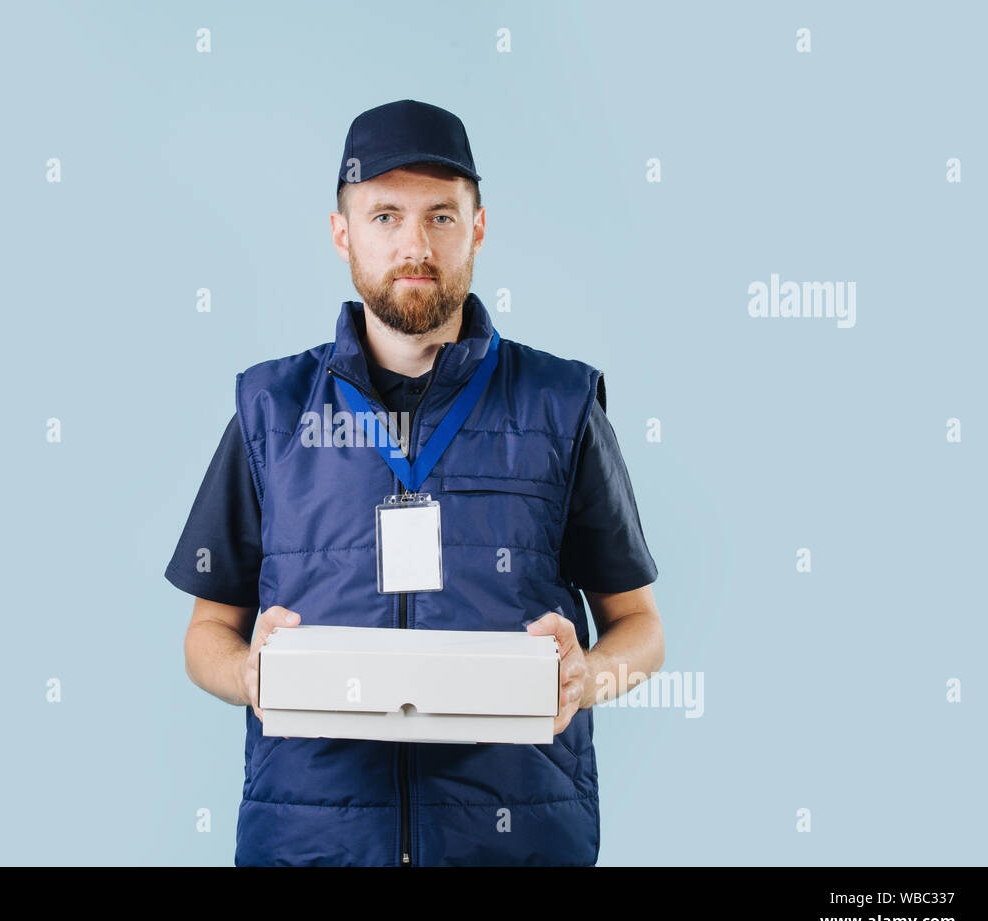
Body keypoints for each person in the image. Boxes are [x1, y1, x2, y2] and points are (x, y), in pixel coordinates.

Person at [165, 99, 664, 866]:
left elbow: (643, 631)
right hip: (311, 844)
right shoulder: (272, 409)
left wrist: (585, 679)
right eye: (386, 216)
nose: (414, 245)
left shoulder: (559, 404)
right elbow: (207, 637)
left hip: (514, 842)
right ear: (343, 233)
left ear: (478, 228)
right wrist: (250, 673)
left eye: (440, 216)